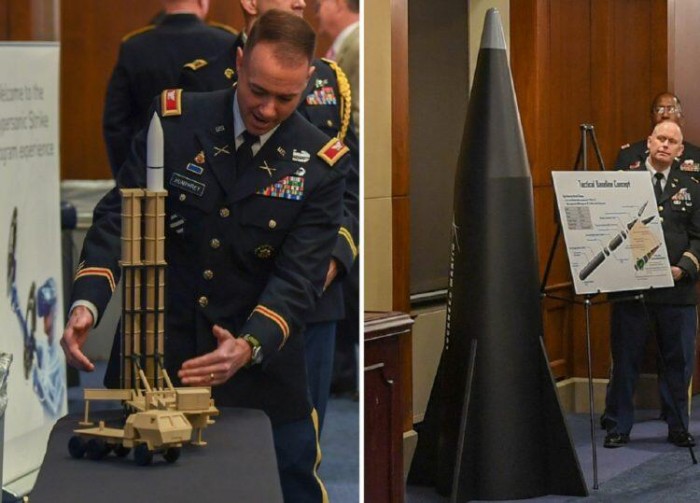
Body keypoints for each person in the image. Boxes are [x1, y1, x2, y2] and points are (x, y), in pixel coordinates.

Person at [61, 11, 350, 502]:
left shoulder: (321, 163)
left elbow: (298, 278)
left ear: (306, 82)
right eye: (258, 91)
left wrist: (249, 344)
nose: (268, 110)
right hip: (159, 358)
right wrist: (88, 301)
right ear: (240, 61)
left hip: (259, 374)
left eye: (286, 98)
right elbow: (121, 215)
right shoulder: (176, 120)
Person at [179, 0, 359, 432]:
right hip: (220, 294)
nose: (301, 2)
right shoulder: (202, 77)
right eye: (258, 92)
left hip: (308, 291)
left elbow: (347, 189)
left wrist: (330, 260)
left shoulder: (328, 81)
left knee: (298, 436)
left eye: (285, 97)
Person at [603, 121, 700, 449]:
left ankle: (677, 426)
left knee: (678, 362)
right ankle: (618, 426)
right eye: (661, 138)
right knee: (625, 361)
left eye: (672, 141)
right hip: (632, 290)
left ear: (680, 150)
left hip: (677, 291)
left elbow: (698, 237)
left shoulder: (693, 187)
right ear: (649, 141)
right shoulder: (623, 183)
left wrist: (684, 268)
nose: (665, 145)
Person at [103, 0, 237, 178]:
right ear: (203, 2)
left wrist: (129, 176)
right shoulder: (227, 42)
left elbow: (116, 123)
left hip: (149, 170)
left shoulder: (135, 46)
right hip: (211, 174)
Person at [615, 92, 700, 171]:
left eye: (671, 110)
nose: (665, 115)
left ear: (681, 118)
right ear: (651, 117)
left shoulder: (696, 155)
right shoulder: (629, 154)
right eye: (659, 110)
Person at [315, 0, 359, 130]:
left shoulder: (359, 46)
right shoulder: (349, 45)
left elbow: (362, 115)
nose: (317, 14)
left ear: (339, 4)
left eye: (319, 6)